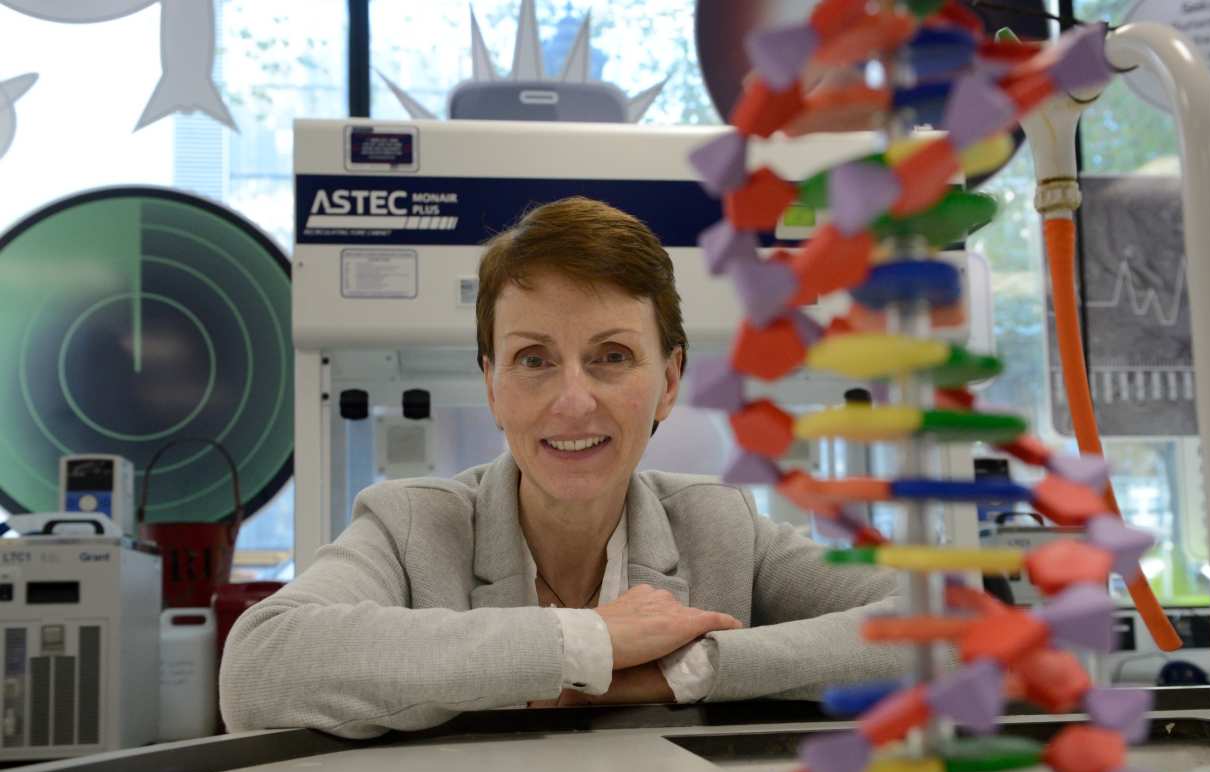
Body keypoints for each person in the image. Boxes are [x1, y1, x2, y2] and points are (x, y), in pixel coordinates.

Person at [219, 197, 904, 739]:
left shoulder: (718, 526)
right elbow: (259, 669)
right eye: (534, 359)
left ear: (668, 382)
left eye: (611, 356)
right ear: (492, 384)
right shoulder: (410, 526)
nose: (573, 401)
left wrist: (691, 670)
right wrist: (586, 642)